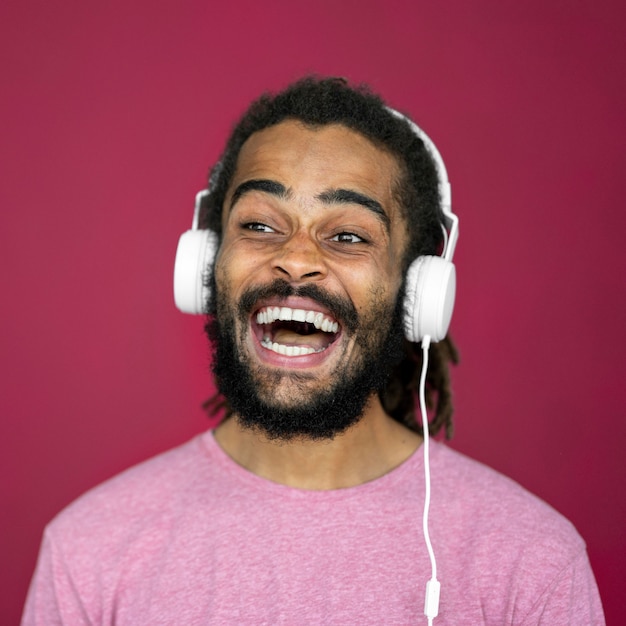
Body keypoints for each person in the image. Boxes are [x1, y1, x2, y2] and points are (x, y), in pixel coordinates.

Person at [22, 77, 604, 625]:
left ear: (417, 289)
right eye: (259, 225)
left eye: (347, 235)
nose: (297, 259)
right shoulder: (88, 550)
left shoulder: (533, 565)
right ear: (206, 264)